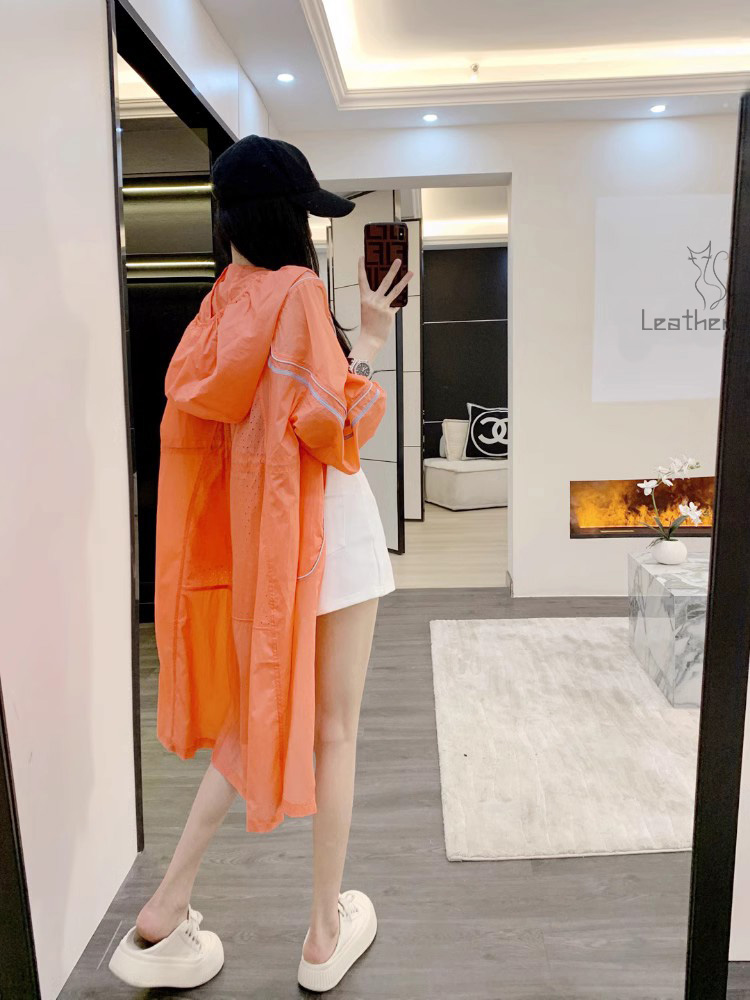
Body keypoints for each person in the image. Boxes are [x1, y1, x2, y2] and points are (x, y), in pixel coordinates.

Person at [108, 135, 412, 993]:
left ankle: (166, 906)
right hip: (329, 534)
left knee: (252, 720)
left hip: (266, 549)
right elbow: (334, 427)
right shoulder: (299, 294)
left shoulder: (216, 309)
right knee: (335, 730)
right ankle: (322, 933)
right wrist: (372, 342)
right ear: (287, 218)